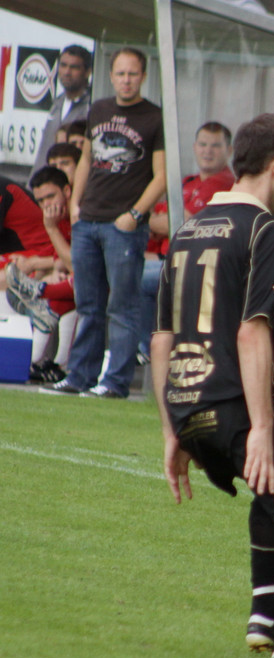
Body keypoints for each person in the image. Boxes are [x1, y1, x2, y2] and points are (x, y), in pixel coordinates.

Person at [151, 113, 274, 658]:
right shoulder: (266, 231)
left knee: (270, 493)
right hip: (235, 403)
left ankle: (264, 615)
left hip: (187, 408)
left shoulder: (188, 229)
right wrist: (261, 427)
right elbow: (251, 331)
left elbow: (162, 338)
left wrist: (172, 430)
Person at [43, 47, 166, 399]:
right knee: (88, 304)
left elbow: (161, 176)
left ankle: (114, 382)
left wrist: (135, 215)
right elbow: (85, 160)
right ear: (111, 76)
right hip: (88, 220)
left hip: (124, 226)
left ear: (143, 76)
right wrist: (75, 205)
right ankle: (79, 376)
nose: (126, 80)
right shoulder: (98, 109)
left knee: (122, 307)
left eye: (133, 74)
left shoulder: (154, 117)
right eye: (120, 74)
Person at [138, 121, 235, 363]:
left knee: (132, 278)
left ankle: (145, 349)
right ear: (194, 147)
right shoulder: (187, 182)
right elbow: (163, 219)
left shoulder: (224, 183)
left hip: (194, 266)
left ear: (229, 150)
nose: (208, 151)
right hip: (164, 258)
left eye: (215, 145)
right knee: (119, 269)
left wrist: (153, 219)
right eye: (203, 144)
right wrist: (159, 221)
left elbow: (183, 225)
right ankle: (141, 349)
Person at [5, 167, 77, 383]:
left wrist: (51, 229)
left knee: (82, 282)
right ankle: (38, 364)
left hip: (108, 277)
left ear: (67, 191)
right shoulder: (56, 217)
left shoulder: (79, 213)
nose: (46, 205)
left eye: (50, 196)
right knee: (60, 294)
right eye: (41, 200)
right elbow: (60, 261)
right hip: (76, 281)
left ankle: (40, 293)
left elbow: (77, 265)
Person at [30, 45, 93, 182]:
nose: (67, 72)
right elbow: (44, 150)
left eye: (74, 67)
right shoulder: (57, 103)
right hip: (43, 182)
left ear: (88, 72)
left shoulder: (92, 106)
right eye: (63, 65)